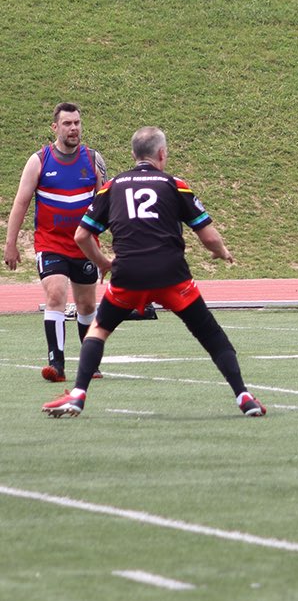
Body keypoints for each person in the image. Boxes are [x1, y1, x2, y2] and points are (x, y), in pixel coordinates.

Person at [42, 126, 265, 418]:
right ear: (162, 154)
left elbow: (82, 235)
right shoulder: (175, 185)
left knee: (98, 329)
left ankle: (78, 394)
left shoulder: (113, 187)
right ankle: (243, 396)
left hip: (128, 276)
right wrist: (220, 251)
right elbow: (208, 236)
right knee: (211, 335)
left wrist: (104, 262)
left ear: (134, 155)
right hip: (171, 276)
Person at [4, 102, 106, 382]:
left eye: (77, 123)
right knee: (56, 295)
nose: (73, 128)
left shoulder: (94, 159)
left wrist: (114, 243)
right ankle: (56, 364)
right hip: (50, 244)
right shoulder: (39, 160)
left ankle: (89, 363)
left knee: (86, 307)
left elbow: (106, 204)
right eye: (67, 124)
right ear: (55, 127)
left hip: (85, 246)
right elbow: (21, 203)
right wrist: (10, 244)